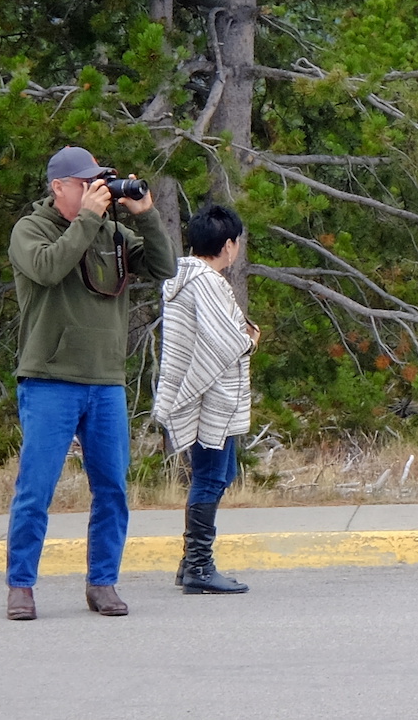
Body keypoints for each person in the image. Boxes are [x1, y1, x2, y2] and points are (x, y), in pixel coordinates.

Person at [4, 146, 177, 621]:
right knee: (36, 489)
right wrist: (86, 220)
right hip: (49, 378)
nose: (96, 189)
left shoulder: (113, 232)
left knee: (112, 488)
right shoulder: (30, 230)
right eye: (85, 183)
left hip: (105, 381)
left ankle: (103, 582)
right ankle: (21, 586)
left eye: (100, 181)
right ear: (59, 187)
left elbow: (165, 269)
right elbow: (47, 268)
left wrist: (146, 216)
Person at [154, 203, 259, 595]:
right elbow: (226, 341)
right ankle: (198, 565)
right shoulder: (208, 283)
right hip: (209, 397)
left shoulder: (186, 277)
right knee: (211, 476)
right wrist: (249, 340)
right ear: (228, 245)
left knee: (217, 474)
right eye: (238, 244)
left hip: (203, 394)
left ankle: (189, 563)